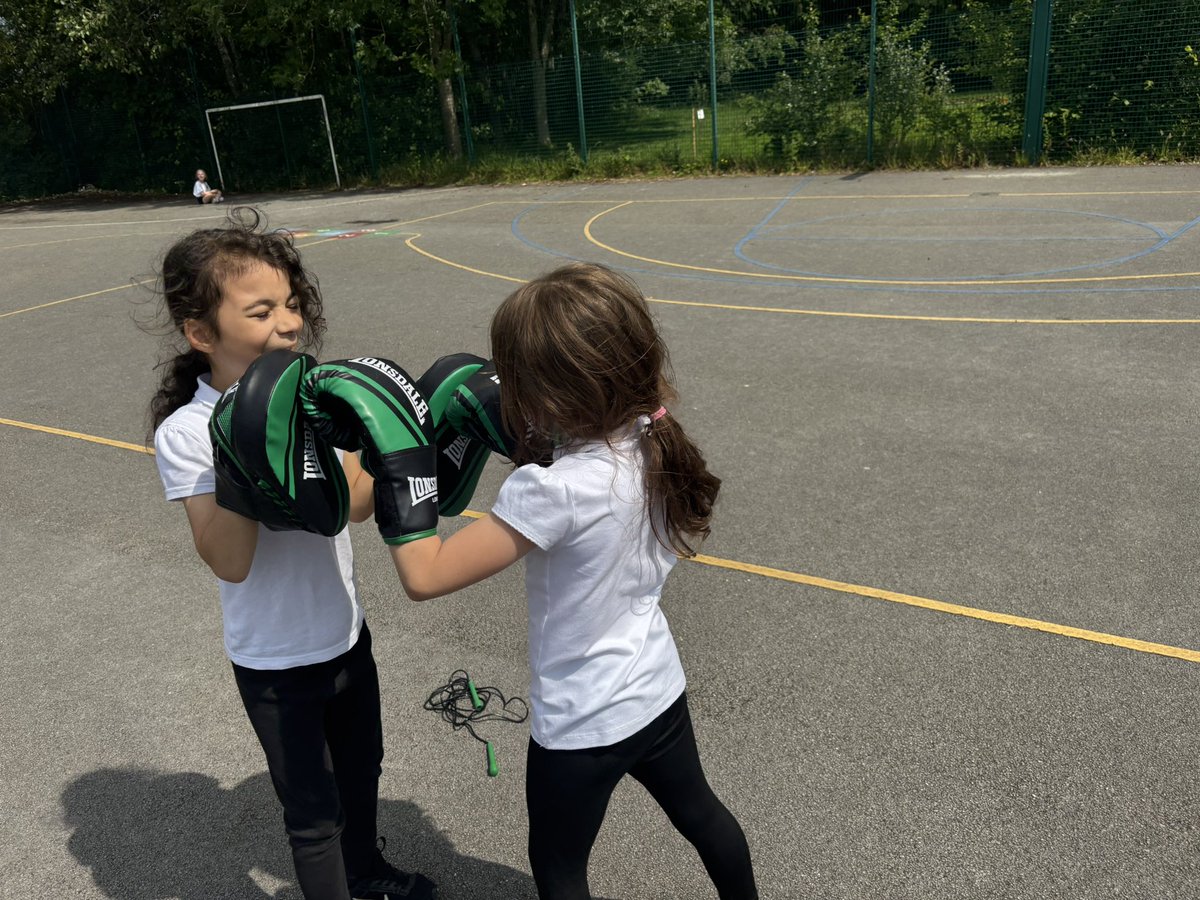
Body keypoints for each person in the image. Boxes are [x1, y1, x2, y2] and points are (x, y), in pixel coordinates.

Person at [383, 262, 759, 899]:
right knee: (703, 818)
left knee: (559, 869)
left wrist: (404, 463)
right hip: (655, 690)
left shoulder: (548, 492)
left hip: (580, 723)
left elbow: (424, 575)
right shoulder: (653, 437)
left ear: (550, 396)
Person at [148, 207, 436, 900]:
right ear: (199, 333)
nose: (288, 323)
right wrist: (244, 449)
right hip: (275, 663)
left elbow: (357, 505)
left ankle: (366, 873)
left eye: (290, 303)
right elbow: (228, 560)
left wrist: (377, 434)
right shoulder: (189, 432)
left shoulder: (310, 397)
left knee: (363, 770)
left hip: (342, 635)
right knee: (312, 817)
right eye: (259, 311)